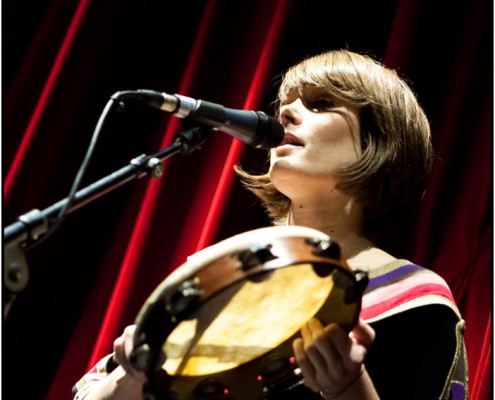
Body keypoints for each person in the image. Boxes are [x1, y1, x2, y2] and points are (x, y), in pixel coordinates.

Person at [72, 49, 469, 400]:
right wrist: (132, 379)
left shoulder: (414, 298)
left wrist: (347, 387)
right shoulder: (218, 273)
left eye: (321, 103)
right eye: (286, 104)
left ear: (380, 139)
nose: (287, 113)